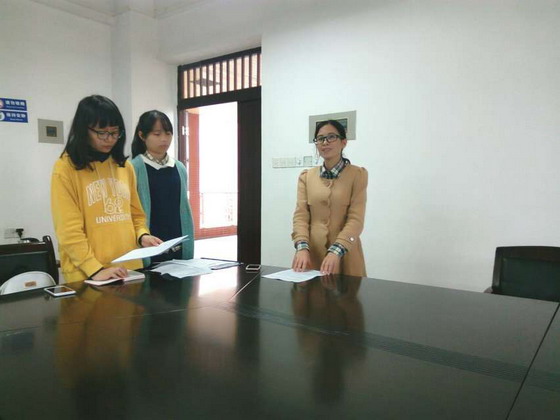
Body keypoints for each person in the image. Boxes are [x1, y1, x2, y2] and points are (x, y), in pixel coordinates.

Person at [51, 95, 161, 282]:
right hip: (88, 273)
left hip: (129, 268)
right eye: (102, 133)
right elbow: (68, 231)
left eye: (115, 133)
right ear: (83, 130)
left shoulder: (124, 167)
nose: (109, 139)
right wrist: (95, 270)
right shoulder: (65, 168)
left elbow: (136, 216)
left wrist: (142, 235)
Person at [292, 120, 368, 276]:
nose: (325, 142)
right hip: (311, 255)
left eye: (331, 137)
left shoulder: (357, 175)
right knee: (309, 292)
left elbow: (356, 220)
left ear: (344, 142)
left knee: (347, 292)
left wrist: (336, 251)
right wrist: (302, 247)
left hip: (345, 254)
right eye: (320, 138)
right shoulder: (306, 177)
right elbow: (301, 216)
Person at [130, 110, 194, 265]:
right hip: (148, 243)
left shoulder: (179, 167)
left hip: (177, 243)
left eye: (168, 133)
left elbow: (183, 208)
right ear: (142, 135)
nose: (164, 139)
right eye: (157, 134)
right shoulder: (133, 168)